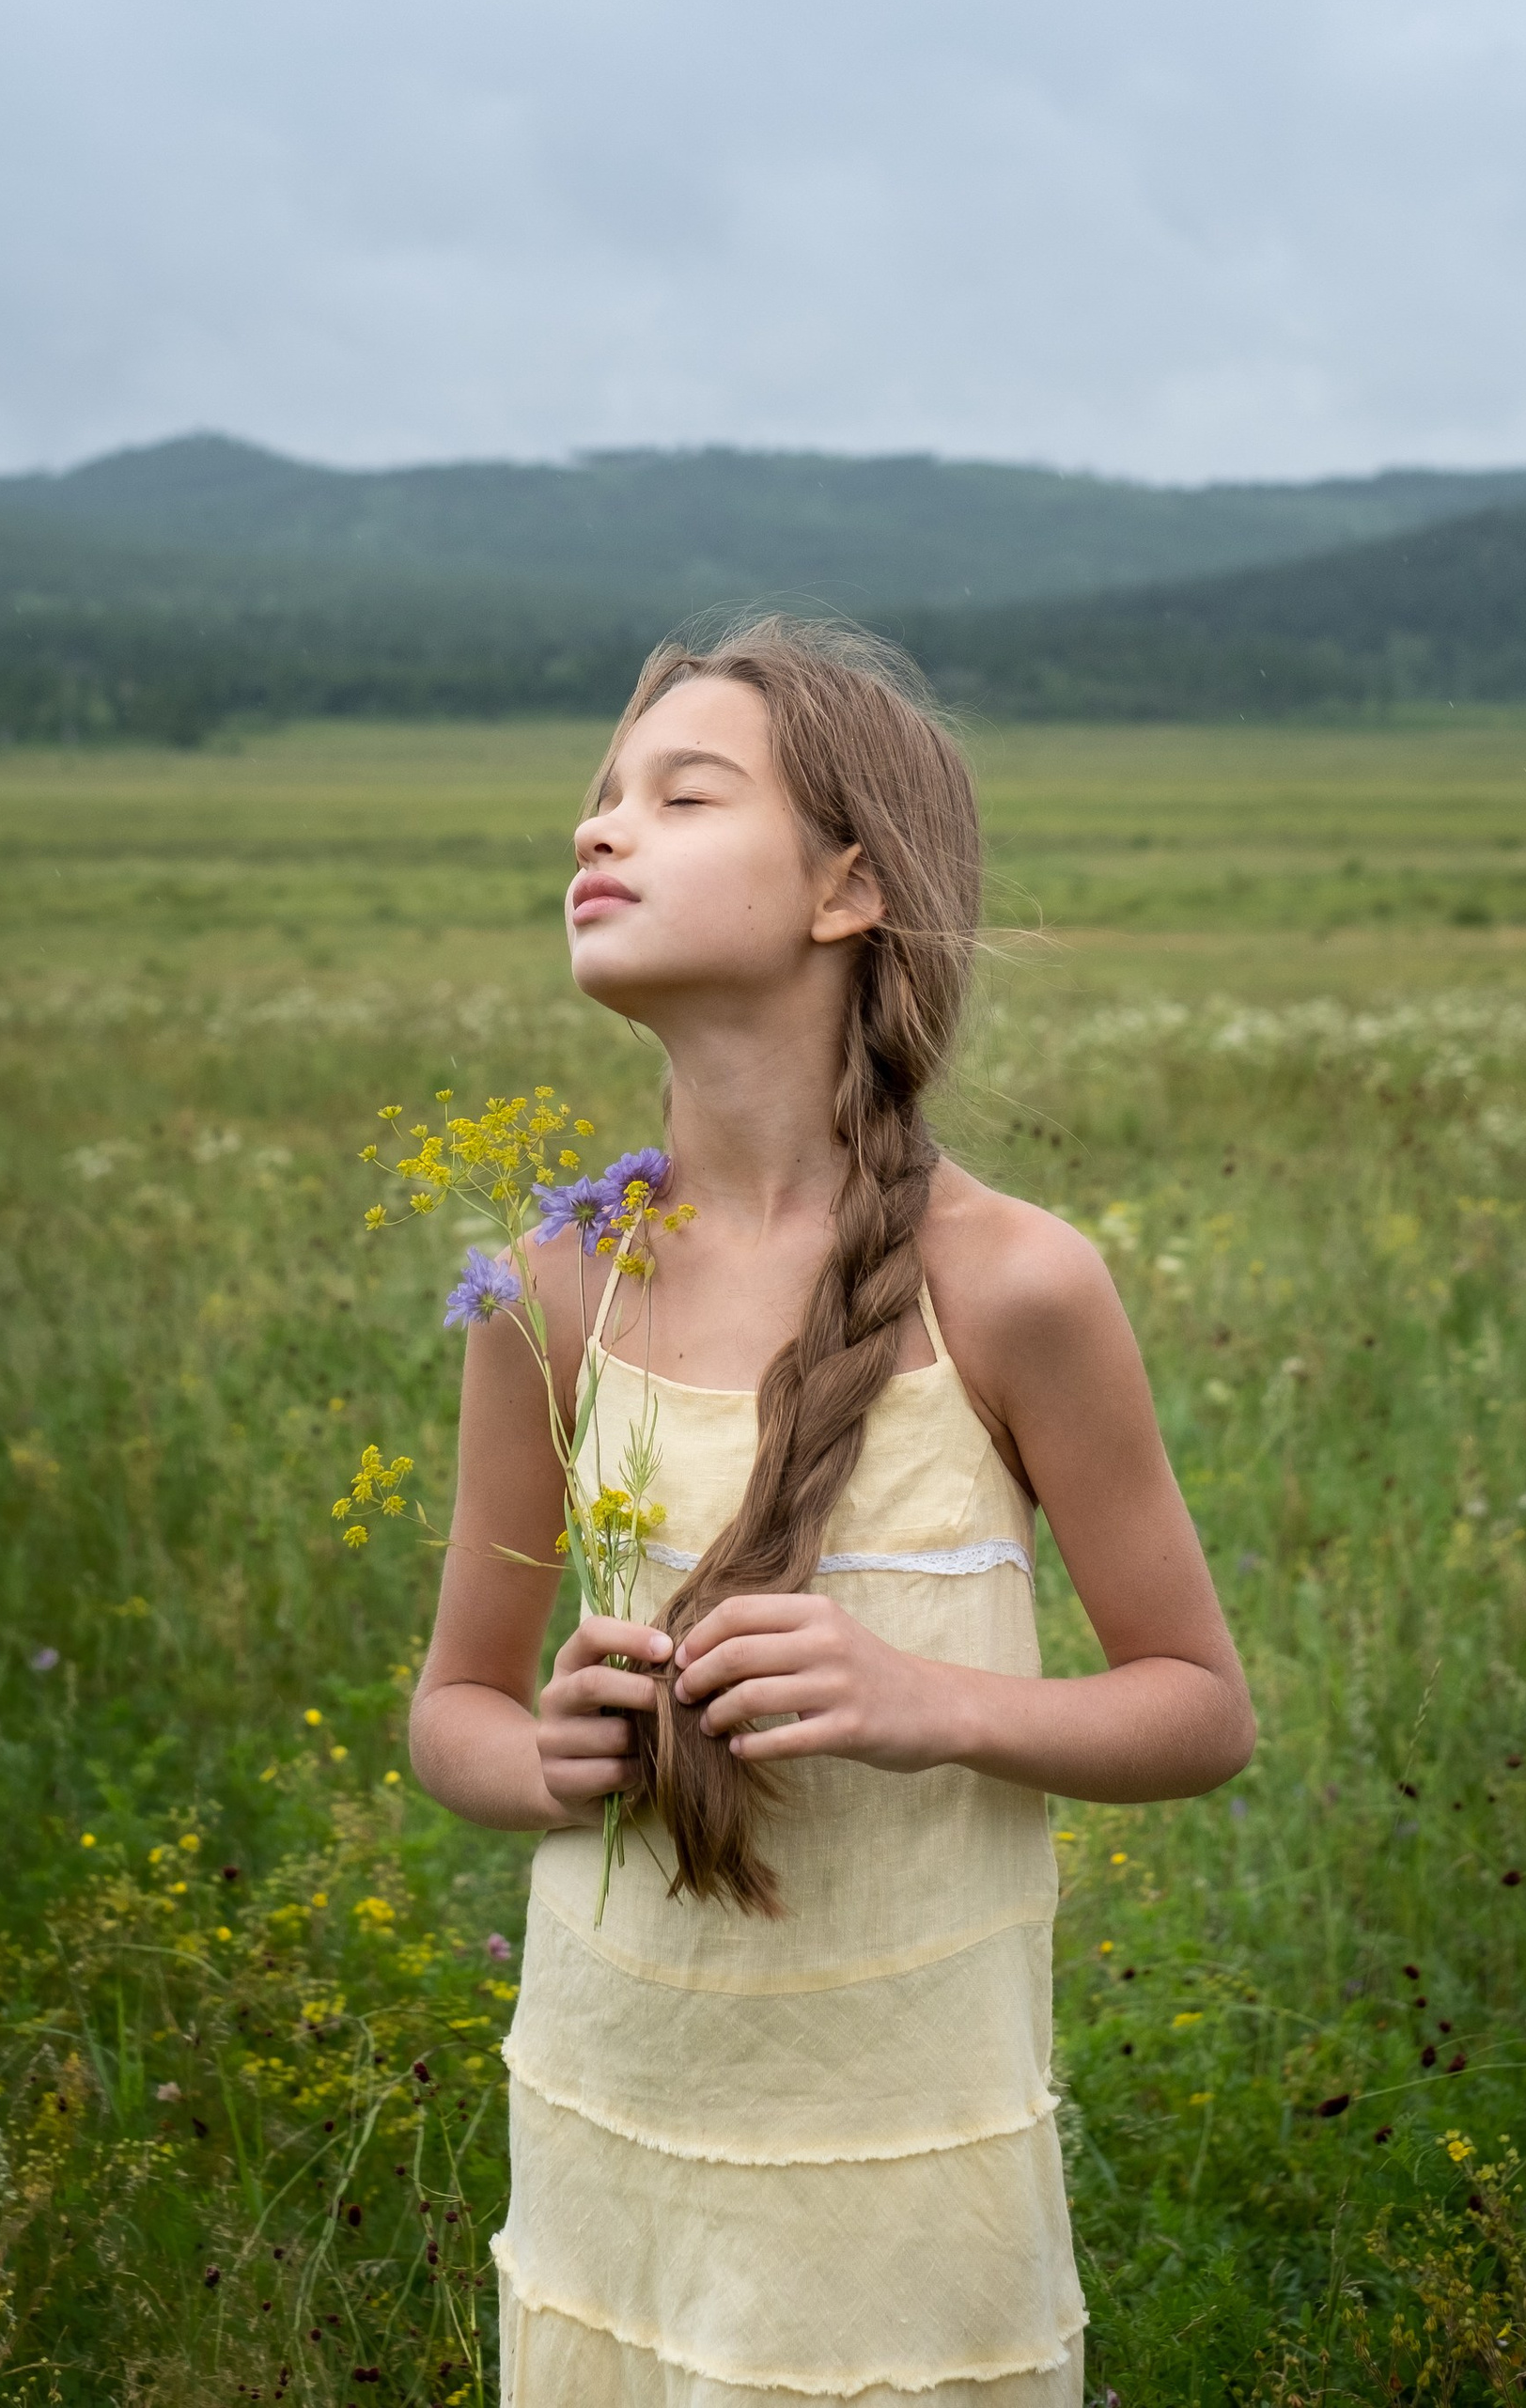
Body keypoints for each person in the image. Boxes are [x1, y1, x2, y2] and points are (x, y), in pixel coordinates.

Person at [411, 619, 1254, 2407]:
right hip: (612, 2147)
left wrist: (926, 1700)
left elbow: (1198, 1709)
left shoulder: (1012, 1284)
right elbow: (452, 1715)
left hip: (901, 2180)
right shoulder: (551, 1288)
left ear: (848, 888)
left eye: (682, 796)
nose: (599, 830)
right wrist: (547, 1757)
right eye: (600, 799)